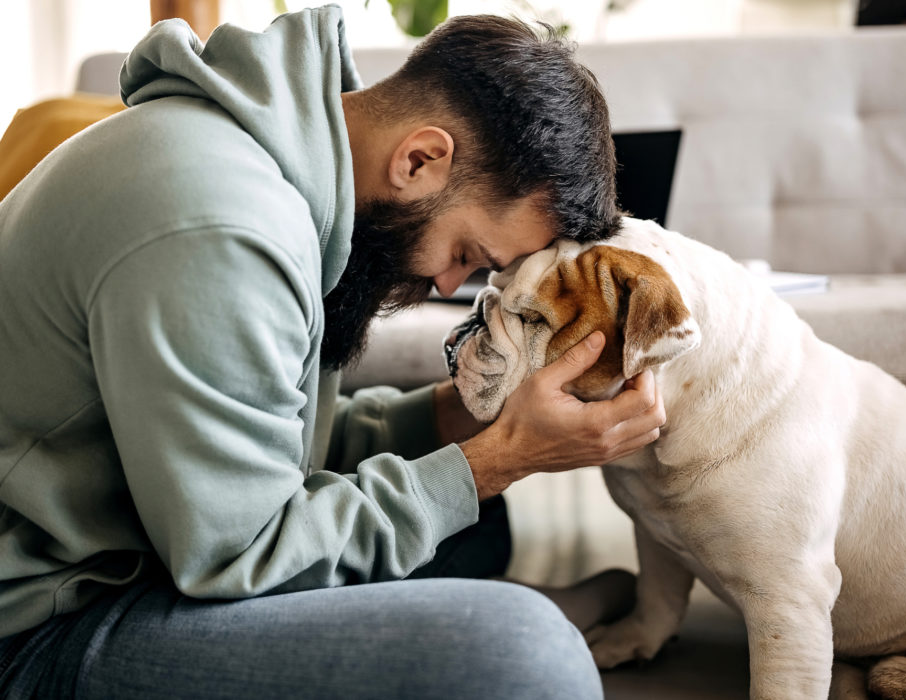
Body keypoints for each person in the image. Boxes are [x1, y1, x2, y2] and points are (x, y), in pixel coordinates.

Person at [0, 6, 665, 699]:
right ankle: (481, 630)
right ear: (420, 159)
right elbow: (242, 553)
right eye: (467, 254)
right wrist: (503, 459)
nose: (445, 283)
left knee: (471, 520)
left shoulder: (277, 166)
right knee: (525, 654)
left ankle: (443, 627)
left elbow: (271, 454)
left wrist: (461, 420)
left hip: (143, 541)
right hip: (35, 624)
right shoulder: (220, 226)